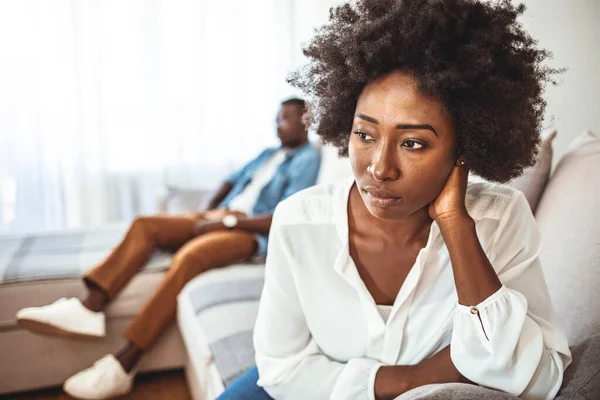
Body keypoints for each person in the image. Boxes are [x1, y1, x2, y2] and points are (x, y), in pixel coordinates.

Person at [217, 1, 572, 399]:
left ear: (463, 148)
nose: (380, 169)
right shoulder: (299, 221)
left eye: (413, 143)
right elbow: (282, 370)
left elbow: (540, 379)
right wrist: (415, 377)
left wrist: (455, 224)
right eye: (365, 135)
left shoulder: (500, 219)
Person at [16, 98, 321, 400]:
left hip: (245, 232)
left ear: (304, 121)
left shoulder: (308, 158)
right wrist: (207, 210)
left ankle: (126, 362)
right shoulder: (268, 153)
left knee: (191, 256)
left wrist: (225, 223)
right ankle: (89, 306)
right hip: (220, 216)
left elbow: (284, 213)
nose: (276, 125)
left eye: (284, 118)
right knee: (145, 225)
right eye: (276, 118)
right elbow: (229, 182)